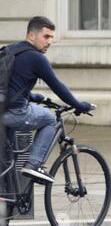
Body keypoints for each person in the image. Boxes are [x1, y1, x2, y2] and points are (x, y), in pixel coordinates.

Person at [2, 16, 94, 183]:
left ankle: (8, 200)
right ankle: (34, 164)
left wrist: (31, 96)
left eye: (52, 37)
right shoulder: (36, 58)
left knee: (7, 158)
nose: (50, 41)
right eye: (46, 37)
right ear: (31, 36)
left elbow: (9, 85)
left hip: (3, 110)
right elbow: (58, 86)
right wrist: (80, 106)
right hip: (14, 113)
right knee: (49, 120)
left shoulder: (11, 51)